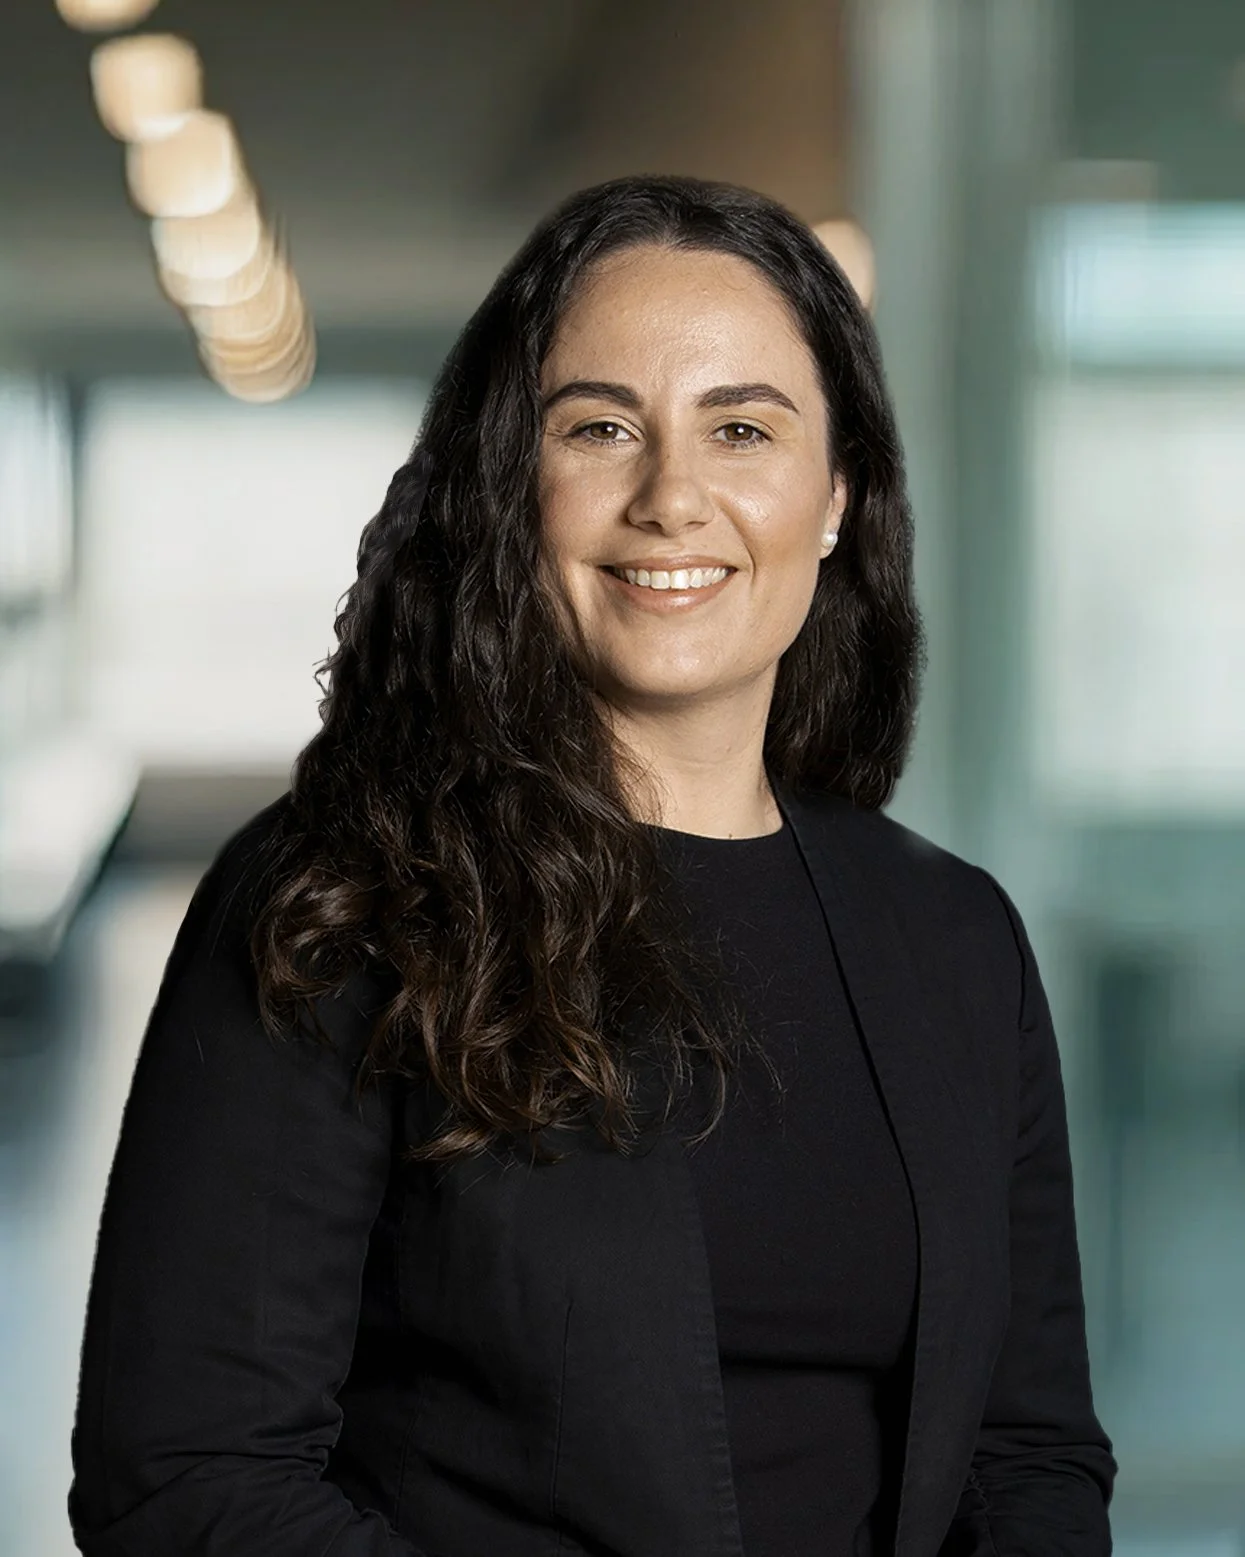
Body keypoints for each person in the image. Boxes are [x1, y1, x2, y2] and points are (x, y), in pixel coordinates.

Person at [68, 174, 1116, 1557]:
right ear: (514, 487)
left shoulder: (956, 938)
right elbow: (189, 1475)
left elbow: (1028, 1452)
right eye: (602, 427)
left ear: (834, 501)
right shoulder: (341, 906)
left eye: (742, 428)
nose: (672, 497)